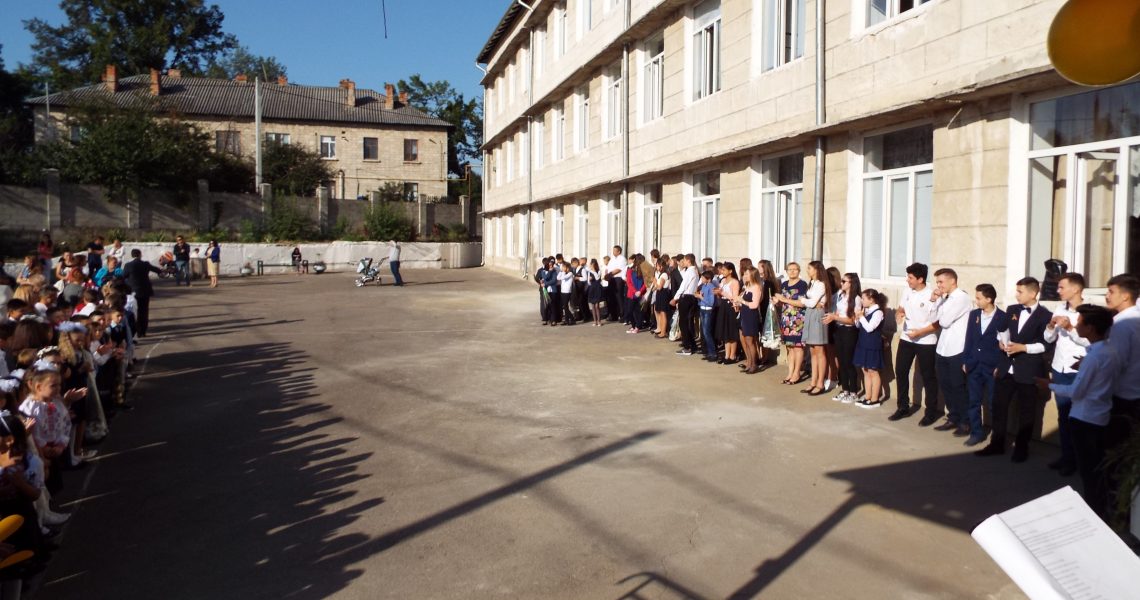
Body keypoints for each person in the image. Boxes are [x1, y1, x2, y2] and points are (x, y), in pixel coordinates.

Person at [1039, 305, 1117, 519]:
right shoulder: (1109, 351)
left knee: (1089, 470)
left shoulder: (1094, 357)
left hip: (1085, 418)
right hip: (1101, 414)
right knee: (1097, 466)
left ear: (1090, 328)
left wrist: (1049, 385)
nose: (1076, 325)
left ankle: (1095, 512)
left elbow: (1076, 391)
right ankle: (1101, 507)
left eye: (1080, 322)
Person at [976, 277, 1052, 463]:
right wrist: (1001, 342)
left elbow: (1045, 345)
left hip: (1029, 370)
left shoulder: (1045, 315)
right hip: (1006, 368)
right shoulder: (1012, 309)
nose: (1016, 295)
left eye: (1020, 292)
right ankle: (997, 444)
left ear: (1033, 293)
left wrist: (1023, 348)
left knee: (1027, 412)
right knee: (999, 407)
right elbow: (1002, 330)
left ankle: (1022, 448)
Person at [1042, 273, 1088, 476]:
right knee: (1063, 415)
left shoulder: (1088, 311)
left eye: (1062, 287)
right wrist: (1051, 326)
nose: (1058, 291)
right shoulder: (1059, 308)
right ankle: (1066, 456)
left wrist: (1070, 327)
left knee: (1079, 417)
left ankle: (1080, 459)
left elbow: (1090, 341)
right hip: (1059, 367)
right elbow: (1048, 338)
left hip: (1078, 369)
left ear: (1076, 289)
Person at [888, 263, 942, 423]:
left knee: (928, 376)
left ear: (920, 279)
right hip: (907, 339)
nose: (907, 280)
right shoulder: (907, 291)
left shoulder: (932, 295)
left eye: (910, 278)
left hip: (926, 341)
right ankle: (903, 407)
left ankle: (931, 412)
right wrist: (899, 314)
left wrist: (920, 332)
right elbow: (901, 309)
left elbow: (937, 323)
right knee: (901, 371)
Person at [961, 284, 1008, 448]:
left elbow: (1005, 343)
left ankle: (997, 436)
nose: (976, 301)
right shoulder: (974, 315)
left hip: (992, 367)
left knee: (994, 403)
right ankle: (976, 432)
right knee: (973, 401)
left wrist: (1000, 366)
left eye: (979, 298)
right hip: (974, 365)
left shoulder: (1002, 317)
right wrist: (966, 360)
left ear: (989, 299)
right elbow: (969, 339)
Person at [777, 261, 831, 395]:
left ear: (816, 270)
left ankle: (820, 383)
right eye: (789, 269)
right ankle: (813, 382)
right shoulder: (812, 283)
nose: (808, 271)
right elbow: (811, 302)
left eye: (809, 268)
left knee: (819, 350)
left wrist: (802, 300)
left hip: (813, 315)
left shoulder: (820, 284)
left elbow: (810, 302)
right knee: (812, 350)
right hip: (808, 314)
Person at [931, 268, 973, 436]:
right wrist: (935, 301)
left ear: (952, 281)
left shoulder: (962, 298)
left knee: (958, 386)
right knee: (945, 384)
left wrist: (940, 307)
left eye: (941, 282)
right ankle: (953, 417)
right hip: (943, 347)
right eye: (937, 282)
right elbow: (933, 319)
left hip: (957, 348)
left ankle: (966, 421)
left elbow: (945, 321)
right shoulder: (945, 298)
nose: (938, 285)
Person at [825, 273, 863, 403]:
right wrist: (832, 317)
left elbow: (852, 320)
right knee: (841, 361)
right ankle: (845, 390)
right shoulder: (841, 296)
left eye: (844, 281)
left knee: (848, 362)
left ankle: (853, 391)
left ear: (852, 284)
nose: (841, 283)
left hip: (849, 331)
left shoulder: (856, 299)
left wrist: (835, 317)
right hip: (839, 329)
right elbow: (837, 312)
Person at [853, 289, 887, 408]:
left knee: (873, 371)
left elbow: (870, 328)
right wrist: (857, 317)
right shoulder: (866, 311)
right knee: (865, 370)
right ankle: (867, 396)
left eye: (864, 299)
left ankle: (875, 399)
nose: (862, 301)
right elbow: (859, 326)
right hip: (863, 343)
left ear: (871, 299)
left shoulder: (878, 312)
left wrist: (861, 317)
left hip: (873, 345)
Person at [777, 262, 808, 385]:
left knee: (798, 347)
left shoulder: (802, 284)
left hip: (797, 319)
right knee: (789, 347)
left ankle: (797, 373)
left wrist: (784, 299)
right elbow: (783, 301)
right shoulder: (784, 284)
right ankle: (790, 373)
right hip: (786, 319)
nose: (792, 271)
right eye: (790, 269)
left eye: (795, 269)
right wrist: (777, 301)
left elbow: (802, 303)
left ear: (799, 271)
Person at [122, 249, 161, 337]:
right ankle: (143, 331)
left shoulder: (128, 265)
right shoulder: (145, 264)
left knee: (135, 310)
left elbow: (123, 276)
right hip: (145, 290)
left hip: (133, 291)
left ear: (132, 255)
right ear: (140, 255)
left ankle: (137, 330)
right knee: (144, 311)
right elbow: (157, 270)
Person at [735, 267, 763, 374]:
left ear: (752, 275)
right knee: (746, 341)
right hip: (745, 314)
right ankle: (749, 363)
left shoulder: (756, 287)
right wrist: (738, 303)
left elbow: (754, 305)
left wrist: (742, 301)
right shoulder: (747, 286)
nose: (745, 276)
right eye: (744, 274)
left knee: (750, 341)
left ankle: (754, 364)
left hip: (751, 316)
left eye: (747, 274)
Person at [672, 254, 700, 356]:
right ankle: (692, 345)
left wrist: (675, 298)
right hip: (692, 298)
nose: (683, 262)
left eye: (684, 260)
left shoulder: (690, 271)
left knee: (683, 323)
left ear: (688, 260)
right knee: (688, 322)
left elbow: (683, 286)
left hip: (686, 298)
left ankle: (687, 347)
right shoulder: (695, 271)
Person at [714, 262, 741, 364]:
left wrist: (722, 293)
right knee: (725, 331)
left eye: (724, 270)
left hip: (731, 306)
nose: (722, 272)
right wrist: (718, 293)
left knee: (731, 331)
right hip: (723, 305)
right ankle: (726, 355)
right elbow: (721, 294)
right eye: (722, 270)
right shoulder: (723, 281)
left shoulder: (734, 282)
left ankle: (732, 355)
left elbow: (734, 297)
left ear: (730, 271)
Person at [757, 260, 782, 366]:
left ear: (764, 268)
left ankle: (765, 357)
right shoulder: (760, 279)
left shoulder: (770, 282)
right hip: (759, 309)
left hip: (766, 309)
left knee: (765, 333)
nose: (758, 268)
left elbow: (770, 296)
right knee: (759, 333)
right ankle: (759, 356)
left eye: (759, 266)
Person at [607, 246, 627, 323]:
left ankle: (622, 315)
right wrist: (607, 275)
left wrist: (610, 274)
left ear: (619, 251)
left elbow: (619, 269)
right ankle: (613, 315)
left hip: (618, 279)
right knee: (611, 297)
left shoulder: (622, 259)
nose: (613, 252)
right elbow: (608, 268)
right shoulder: (612, 259)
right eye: (613, 250)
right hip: (611, 279)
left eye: (615, 250)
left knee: (619, 297)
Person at [585, 259, 603, 326]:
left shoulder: (598, 271)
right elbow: (588, 282)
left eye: (593, 265)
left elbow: (598, 278)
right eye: (591, 265)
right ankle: (595, 321)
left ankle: (599, 321)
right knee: (592, 305)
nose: (591, 266)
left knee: (597, 306)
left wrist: (593, 271)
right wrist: (590, 279)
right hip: (592, 288)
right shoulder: (589, 272)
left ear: (595, 265)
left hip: (597, 288)